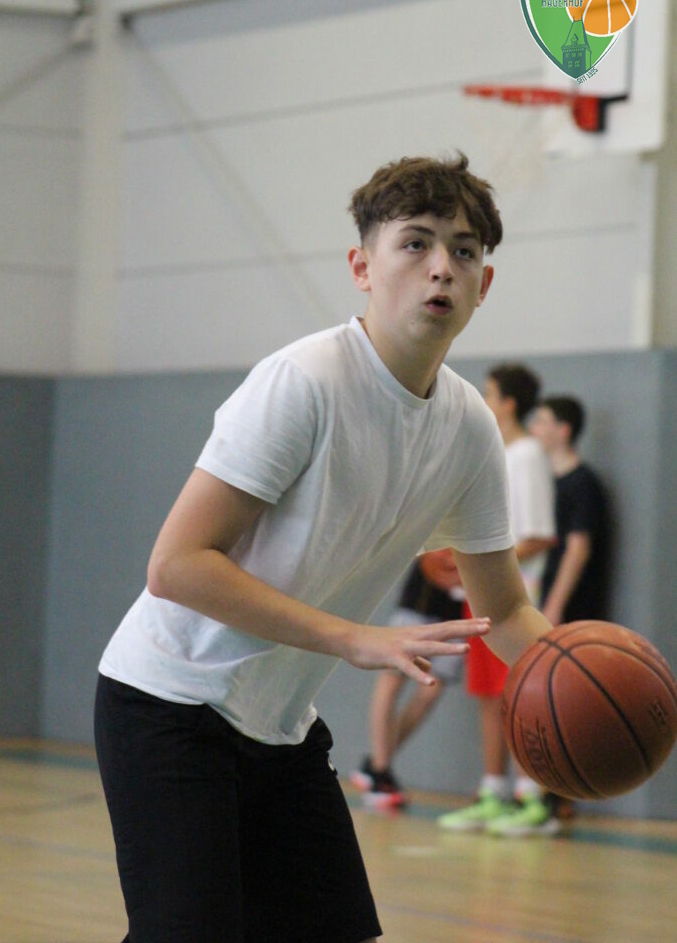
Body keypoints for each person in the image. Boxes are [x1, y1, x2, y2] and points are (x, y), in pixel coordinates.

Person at [94, 154, 553, 943]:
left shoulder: (470, 428)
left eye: (463, 251)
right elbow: (176, 566)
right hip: (167, 702)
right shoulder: (303, 382)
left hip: (278, 726)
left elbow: (505, 610)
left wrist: (576, 675)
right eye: (415, 243)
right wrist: (351, 638)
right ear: (361, 267)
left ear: (483, 284)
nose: (440, 267)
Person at [438, 364, 558, 837]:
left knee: (524, 697)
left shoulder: (527, 455)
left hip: (516, 597)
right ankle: (493, 791)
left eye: (490, 393)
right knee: (490, 696)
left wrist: (477, 561)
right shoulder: (498, 451)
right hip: (482, 593)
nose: (484, 401)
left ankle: (533, 796)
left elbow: (539, 535)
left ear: (509, 403)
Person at [351, 548, 466, 809]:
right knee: (392, 680)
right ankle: (380, 771)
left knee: (430, 690)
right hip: (419, 602)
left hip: (457, 610)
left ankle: (375, 764)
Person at [530, 395, 609, 627]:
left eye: (541, 422)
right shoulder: (550, 481)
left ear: (563, 430)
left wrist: (554, 606)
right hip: (544, 591)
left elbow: (578, 549)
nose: (534, 429)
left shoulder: (582, 483)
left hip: (574, 607)